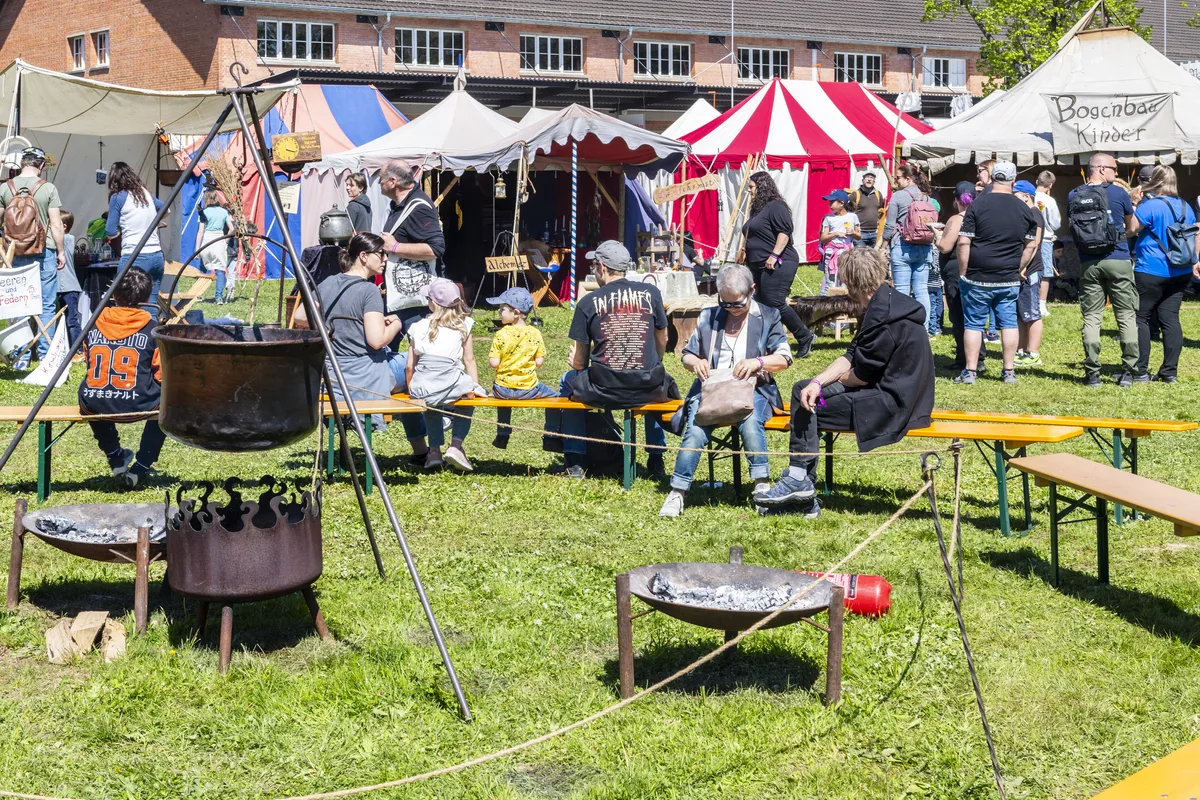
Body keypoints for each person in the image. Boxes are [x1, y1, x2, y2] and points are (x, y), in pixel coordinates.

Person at [756, 248, 933, 517]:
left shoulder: (883, 319)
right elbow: (853, 355)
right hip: (885, 391)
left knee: (806, 403)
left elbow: (858, 375)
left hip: (893, 405)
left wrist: (822, 387)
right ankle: (800, 483)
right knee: (805, 390)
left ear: (852, 281)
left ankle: (800, 483)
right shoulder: (885, 302)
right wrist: (818, 382)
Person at [659, 264, 793, 518]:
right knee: (696, 430)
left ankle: (761, 485)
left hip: (755, 388)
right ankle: (677, 492)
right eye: (725, 303)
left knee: (751, 420)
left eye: (737, 304)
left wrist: (758, 363)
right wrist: (695, 363)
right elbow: (687, 355)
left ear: (752, 291)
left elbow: (785, 358)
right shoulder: (708, 317)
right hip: (713, 389)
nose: (731, 309)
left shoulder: (769, 316)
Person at [294, 232, 430, 464]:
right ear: (364, 256)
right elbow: (376, 341)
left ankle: (423, 450)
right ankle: (423, 451)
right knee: (415, 369)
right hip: (366, 375)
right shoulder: (369, 290)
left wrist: (336, 322)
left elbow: (299, 317)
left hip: (334, 376)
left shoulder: (328, 282)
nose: (386, 259)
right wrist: (396, 323)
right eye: (381, 254)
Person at [549, 240, 676, 480]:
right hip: (647, 386)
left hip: (604, 388)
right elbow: (663, 336)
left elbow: (580, 363)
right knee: (662, 381)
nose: (593, 271)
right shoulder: (651, 293)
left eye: (594, 266)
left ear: (603, 268)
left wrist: (574, 362)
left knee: (568, 380)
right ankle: (656, 459)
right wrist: (652, 363)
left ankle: (575, 461)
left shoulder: (587, 302)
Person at [78, 267, 166, 490]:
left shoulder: (93, 324)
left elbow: (90, 362)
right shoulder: (152, 330)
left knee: (94, 392)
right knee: (167, 405)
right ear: (147, 297)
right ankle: (142, 466)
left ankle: (115, 456)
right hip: (140, 404)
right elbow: (161, 374)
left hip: (95, 404)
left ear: (114, 294)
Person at [954, 162, 1041, 385]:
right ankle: (1009, 371)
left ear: (992, 178)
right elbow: (1031, 245)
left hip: (977, 275)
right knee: (1009, 323)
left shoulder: (978, 204)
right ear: (1013, 181)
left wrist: (963, 270)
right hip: (1008, 276)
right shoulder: (1024, 208)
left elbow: (964, 242)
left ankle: (970, 372)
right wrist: (1019, 267)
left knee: (973, 324)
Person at [1068, 152, 1139, 388]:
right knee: (1126, 315)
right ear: (1100, 169)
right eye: (1114, 168)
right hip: (1118, 259)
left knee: (1091, 317)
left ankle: (1093, 373)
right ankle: (1129, 371)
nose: (1116, 173)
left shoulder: (1073, 194)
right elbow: (1132, 227)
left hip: (1088, 263)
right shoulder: (1119, 193)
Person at [406, 278, 485, 473]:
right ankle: (456, 445)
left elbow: (410, 366)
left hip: (423, 386)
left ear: (433, 303)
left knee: (432, 406)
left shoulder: (418, 326)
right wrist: (473, 385)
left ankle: (434, 452)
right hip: (450, 380)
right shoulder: (464, 324)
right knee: (467, 400)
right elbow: (469, 360)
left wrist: (411, 388)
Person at [1129, 165, 1197, 383]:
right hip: (1181, 269)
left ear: (1154, 181)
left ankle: (1139, 371)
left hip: (1151, 269)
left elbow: (1131, 229)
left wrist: (1134, 204)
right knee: (1171, 319)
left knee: (1141, 318)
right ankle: (1169, 372)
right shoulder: (1187, 206)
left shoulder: (1150, 206)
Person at [0, 147, 66, 366]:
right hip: (43, 250)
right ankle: (47, 357)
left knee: (19, 304)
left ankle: (20, 357)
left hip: (15, 252)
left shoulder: (6, 188)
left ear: (21, 164)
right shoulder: (48, 188)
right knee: (47, 305)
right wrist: (61, 251)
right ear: (41, 166)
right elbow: (56, 224)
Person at [736, 172, 815, 356]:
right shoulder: (757, 209)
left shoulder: (776, 206)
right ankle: (768, 342)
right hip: (757, 265)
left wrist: (773, 255)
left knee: (774, 301)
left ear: (761, 186)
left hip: (779, 261)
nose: (749, 191)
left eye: (751, 187)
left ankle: (804, 336)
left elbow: (784, 232)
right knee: (760, 303)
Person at [378, 160, 445, 332]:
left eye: (381, 179)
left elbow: (435, 249)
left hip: (414, 298)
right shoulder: (399, 205)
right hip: (401, 294)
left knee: (419, 345)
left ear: (393, 182)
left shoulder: (419, 208)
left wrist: (394, 247)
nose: (379, 183)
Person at [486, 286, 557, 449]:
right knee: (556, 399)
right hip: (528, 389)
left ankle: (502, 435)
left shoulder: (501, 334)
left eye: (502, 309)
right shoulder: (535, 333)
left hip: (502, 390)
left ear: (516, 312)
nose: (499, 312)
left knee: (504, 399)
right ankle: (551, 435)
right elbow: (539, 362)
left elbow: (494, 363)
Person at [105, 162, 167, 300]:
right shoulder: (145, 193)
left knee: (126, 302)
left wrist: (124, 232)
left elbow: (110, 231)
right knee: (151, 304)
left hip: (134, 256)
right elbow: (166, 210)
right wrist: (152, 223)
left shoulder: (118, 197)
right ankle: (152, 323)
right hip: (157, 256)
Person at [882, 163, 934, 323]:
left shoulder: (898, 196)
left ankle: (903, 327)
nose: (896, 181)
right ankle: (923, 329)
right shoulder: (926, 197)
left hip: (902, 245)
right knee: (921, 290)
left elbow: (890, 224)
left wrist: (883, 246)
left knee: (902, 290)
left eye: (898, 178)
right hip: (924, 247)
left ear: (908, 179)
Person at [938, 182, 977, 373]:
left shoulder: (956, 219)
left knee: (958, 316)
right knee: (972, 316)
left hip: (955, 271)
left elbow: (946, 246)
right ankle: (977, 357)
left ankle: (963, 359)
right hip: (972, 269)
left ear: (956, 200)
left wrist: (937, 235)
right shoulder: (979, 215)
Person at [1012, 181, 1046, 367]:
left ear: (1026, 196)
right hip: (1022, 269)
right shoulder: (1025, 213)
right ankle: (1021, 349)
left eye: (1015, 194)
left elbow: (1035, 244)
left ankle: (1033, 353)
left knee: (1032, 313)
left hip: (1031, 270)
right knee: (1021, 313)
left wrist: (1023, 268)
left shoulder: (1035, 214)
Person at [818, 189, 860, 294]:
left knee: (845, 281)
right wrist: (835, 234)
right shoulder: (829, 218)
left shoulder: (853, 217)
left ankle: (844, 307)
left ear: (841, 203)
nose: (829, 204)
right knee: (830, 282)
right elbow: (823, 238)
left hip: (847, 252)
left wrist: (853, 233)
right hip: (831, 252)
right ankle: (829, 306)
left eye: (832, 202)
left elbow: (859, 236)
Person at [56, 210, 84, 358]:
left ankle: (78, 349)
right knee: (62, 319)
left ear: (64, 226)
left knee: (71, 320)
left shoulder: (67, 238)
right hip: (60, 286)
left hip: (69, 287)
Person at [198, 190, 233, 303]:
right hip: (219, 240)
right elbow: (232, 229)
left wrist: (197, 249)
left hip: (207, 241)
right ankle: (218, 297)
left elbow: (200, 232)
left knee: (203, 269)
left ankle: (198, 294)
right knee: (220, 270)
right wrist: (226, 242)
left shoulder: (203, 212)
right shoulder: (223, 212)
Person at [1034, 171, 1060, 317]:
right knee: (1045, 273)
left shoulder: (1026, 196)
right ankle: (1041, 305)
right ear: (1050, 185)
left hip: (1028, 239)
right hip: (1044, 239)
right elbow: (1056, 223)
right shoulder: (1049, 201)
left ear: (1037, 181)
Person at [849, 172, 885, 248]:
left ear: (874, 181)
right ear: (862, 180)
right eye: (867, 177)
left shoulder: (878, 194)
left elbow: (880, 210)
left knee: (874, 258)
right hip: (860, 233)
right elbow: (847, 212)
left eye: (871, 178)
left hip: (875, 233)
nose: (869, 179)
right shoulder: (855, 194)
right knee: (860, 258)